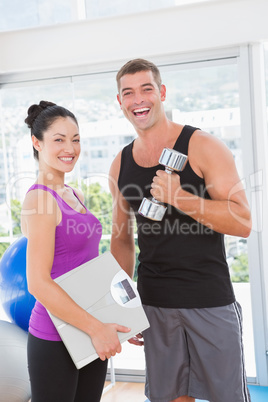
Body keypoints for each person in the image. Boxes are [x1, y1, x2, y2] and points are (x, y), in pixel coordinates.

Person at [109, 59, 252, 402]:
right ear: (120, 102)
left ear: (161, 93)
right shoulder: (121, 162)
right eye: (128, 92)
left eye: (146, 89)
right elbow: (122, 241)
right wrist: (123, 308)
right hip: (156, 302)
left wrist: (181, 198)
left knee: (227, 397)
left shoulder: (202, 145)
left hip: (209, 299)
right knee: (169, 398)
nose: (138, 99)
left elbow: (242, 221)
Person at [21, 100, 130, 402]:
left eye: (76, 139)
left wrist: (120, 320)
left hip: (90, 328)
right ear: (37, 143)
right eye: (58, 139)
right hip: (55, 336)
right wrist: (97, 329)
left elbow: (86, 268)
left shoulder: (74, 195)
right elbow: (39, 283)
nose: (70, 148)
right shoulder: (39, 201)